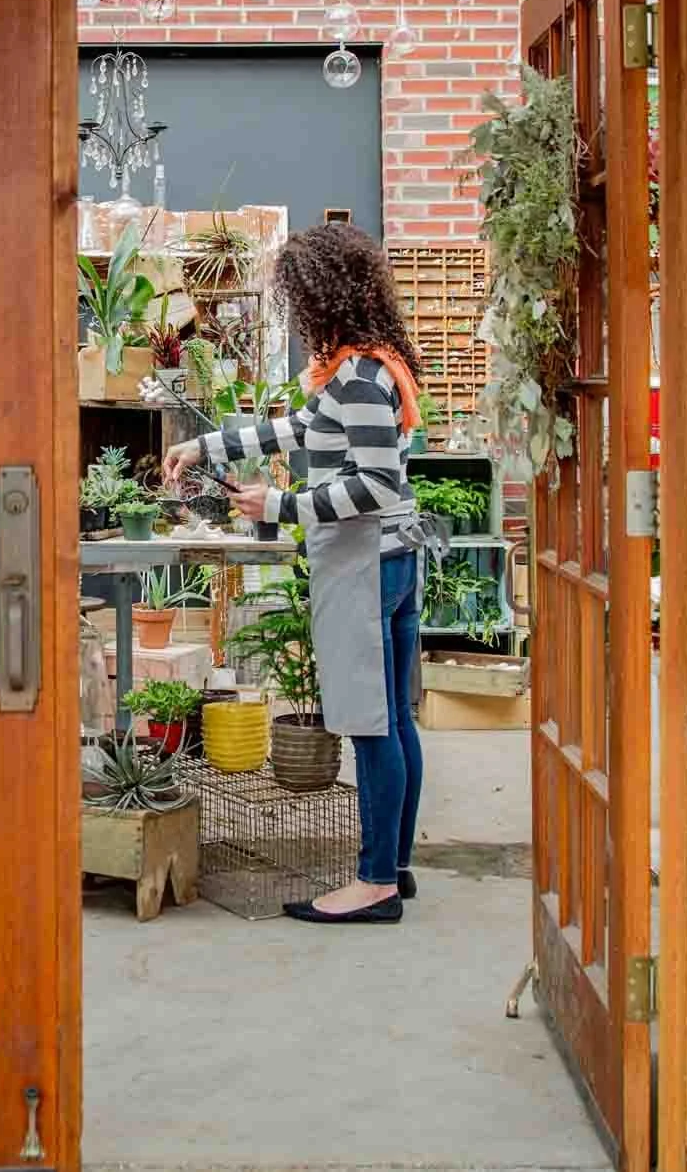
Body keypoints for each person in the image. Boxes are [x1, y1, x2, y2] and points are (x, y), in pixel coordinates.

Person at [164, 221, 430, 925]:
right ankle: (394, 867)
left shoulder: (361, 378)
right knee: (394, 720)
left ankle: (374, 883)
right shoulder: (360, 367)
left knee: (370, 724)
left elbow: (376, 484)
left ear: (322, 296)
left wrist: (280, 504)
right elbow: (299, 429)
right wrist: (204, 446)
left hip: (367, 562)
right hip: (393, 559)